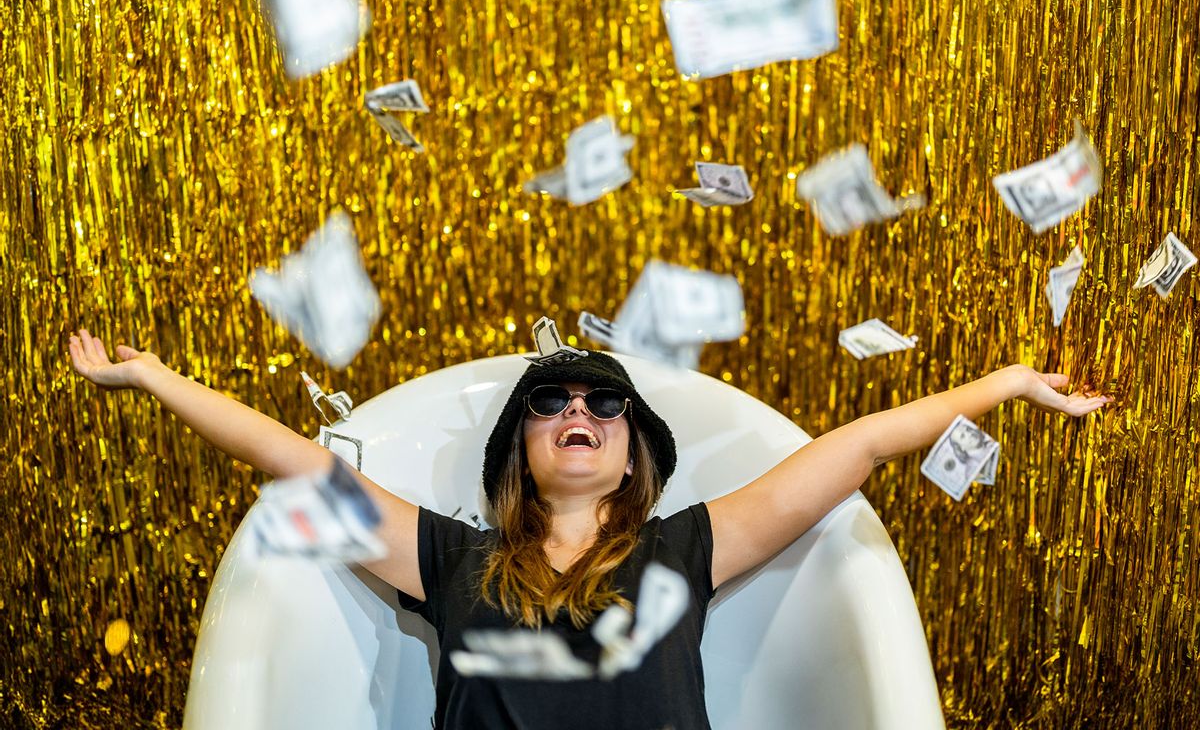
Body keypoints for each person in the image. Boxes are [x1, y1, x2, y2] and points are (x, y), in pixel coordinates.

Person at [67, 327, 1111, 729]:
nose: (577, 413)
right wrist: (153, 377)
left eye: (602, 403)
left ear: (631, 450)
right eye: (552, 400)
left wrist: (1008, 383)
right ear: (519, 445)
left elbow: (862, 445)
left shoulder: (685, 548)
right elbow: (289, 458)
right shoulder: (451, 556)